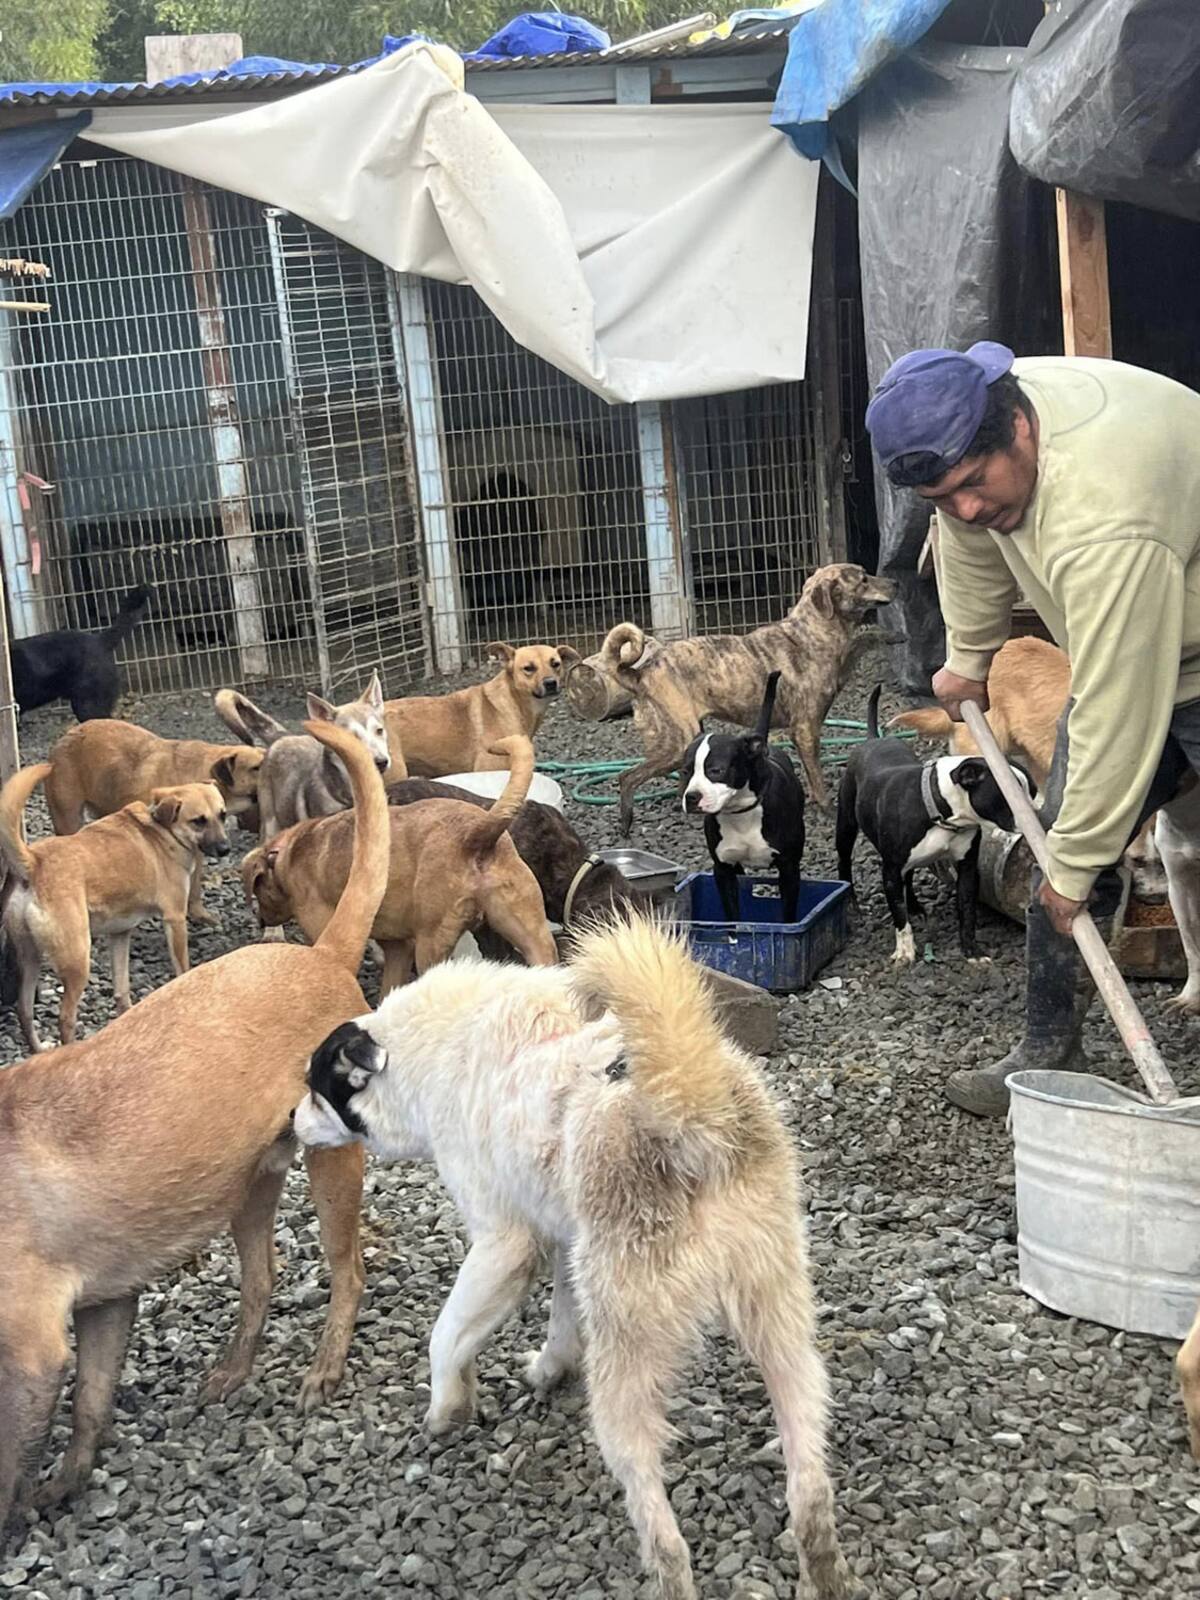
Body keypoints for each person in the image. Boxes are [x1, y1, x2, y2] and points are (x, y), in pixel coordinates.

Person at [865, 341, 1200, 1114]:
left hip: (1170, 640)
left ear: (1019, 428)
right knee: (1057, 836)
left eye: (975, 483)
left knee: (1072, 853)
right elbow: (972, 536)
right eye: (943, 496)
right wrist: (972, 656)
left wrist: (1076, 864)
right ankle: (1050, 1054)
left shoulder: (1105, 508)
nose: (969, 507)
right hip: (1159, 638)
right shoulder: (988, 449)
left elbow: (1120, 698)